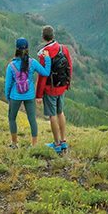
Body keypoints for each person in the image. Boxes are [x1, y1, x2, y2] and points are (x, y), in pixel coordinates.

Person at [5, 37, 50, 148]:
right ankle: (34, 145)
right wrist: (48, 59)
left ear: (16, 49)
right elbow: (46, 72)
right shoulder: (33, 62)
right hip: (29, 95)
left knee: (12, 118)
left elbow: (8, 84)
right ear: (28, 48)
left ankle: (14, 144)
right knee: (32, 119)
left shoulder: (11, 66)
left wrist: (8, 97)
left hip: (15, 96)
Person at [35, 25, 72, 154]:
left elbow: (42, 75)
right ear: (53, 35)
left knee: (52, 115)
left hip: (50, 88)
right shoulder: (64, 49)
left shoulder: (45, 53)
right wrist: (68, 83)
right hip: (62, 86)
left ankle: (56, 144)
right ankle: (63, 141)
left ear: (43, 37)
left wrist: (38, 95)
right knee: (60, 112)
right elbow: (69, 66)